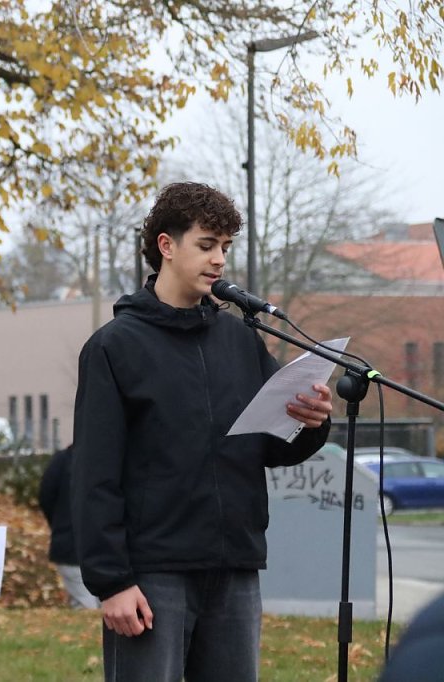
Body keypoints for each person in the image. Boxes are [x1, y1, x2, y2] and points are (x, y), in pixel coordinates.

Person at [71, 182, 334, 682]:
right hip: (153, 574)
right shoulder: (114, 347)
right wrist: (112, 582)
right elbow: (93, 475)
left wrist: (311, 422)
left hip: (234, 567)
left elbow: (269, 445)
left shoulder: (240, 338)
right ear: (166, 246)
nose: (219, 260)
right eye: (207, 244)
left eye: (226, 247)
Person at [38, 444, 100, 610]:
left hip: (69, 542)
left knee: (87, 606)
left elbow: (46, 496)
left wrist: (59, 524)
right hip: (87, 547)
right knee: (90, 608)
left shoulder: (64, 459)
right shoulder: (109, 459)